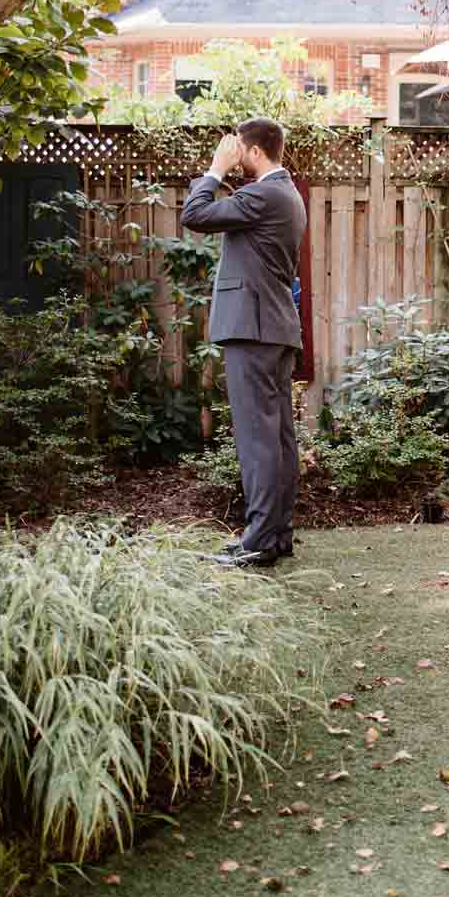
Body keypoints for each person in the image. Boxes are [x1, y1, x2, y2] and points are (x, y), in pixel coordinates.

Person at [180, 117, 308, 568]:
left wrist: (215, 170)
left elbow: (194, 215)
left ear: (254, 153)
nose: (234, 156)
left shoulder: (264, 194)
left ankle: (257, 540)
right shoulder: (283, 194)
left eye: (239, 150)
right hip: (272, 328)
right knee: (276, 439)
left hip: (253, 330)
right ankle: (275, 536)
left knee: (258, 439)